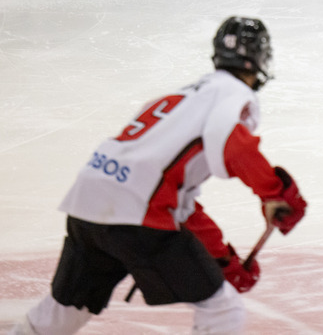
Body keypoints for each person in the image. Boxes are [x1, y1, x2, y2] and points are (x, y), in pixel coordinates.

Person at [12, 17, 307, 335]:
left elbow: (179, 202)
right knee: (224, 311)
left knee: (64, 310)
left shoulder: (183, 98)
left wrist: (222, 260)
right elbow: (234, 147)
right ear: (259, 57)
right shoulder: (234, 95)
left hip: (87, 204)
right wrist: (276, 192)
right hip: (134, 215)